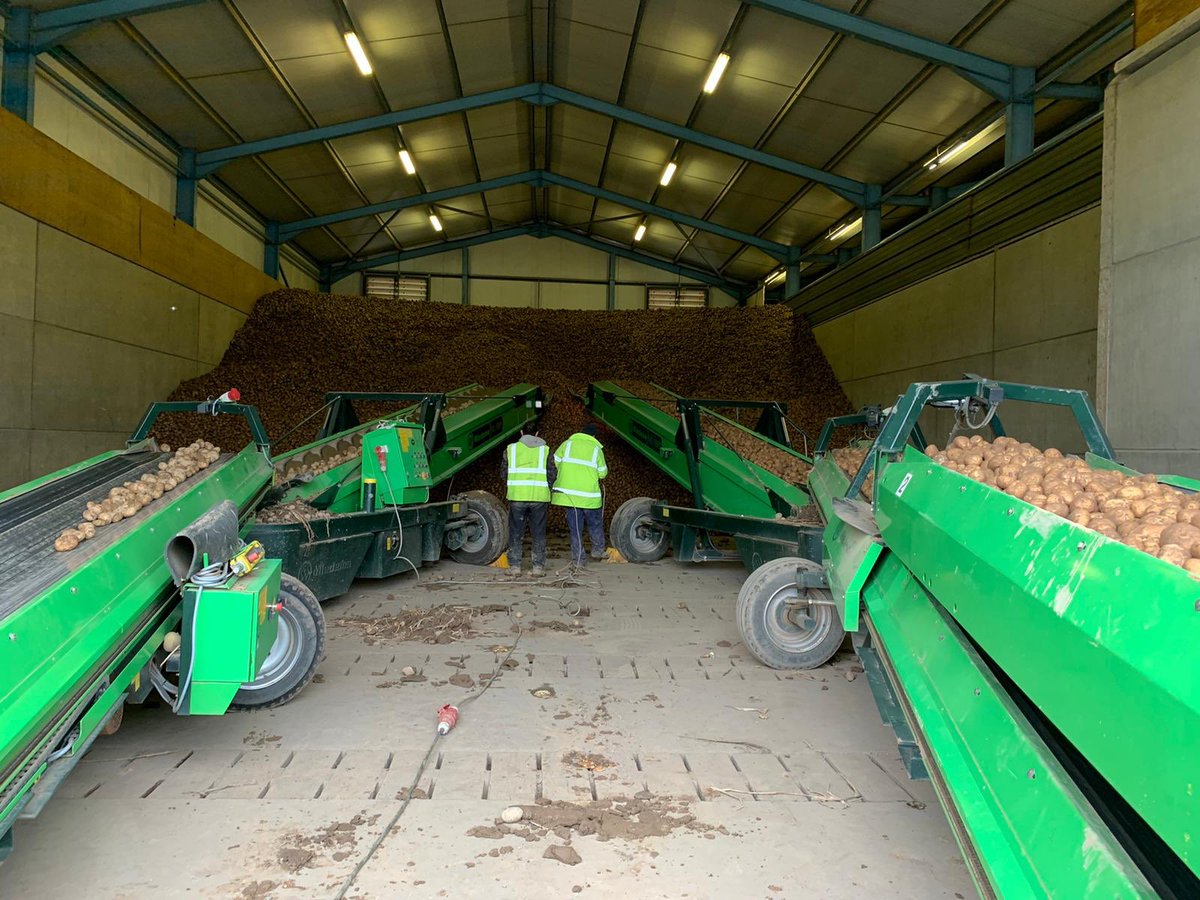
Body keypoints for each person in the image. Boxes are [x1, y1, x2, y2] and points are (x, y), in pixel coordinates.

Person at [552, 422, 609, 567]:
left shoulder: (567, 444)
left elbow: (556, 461)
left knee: (575, 528)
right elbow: (603, 473)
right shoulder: (596, 449)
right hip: (589, 497)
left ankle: (578, 560)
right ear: (594, 436)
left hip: (570, 497)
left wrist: (568, 472)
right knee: (595, 523)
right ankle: (597, 550)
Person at [503, 427, 554, 578]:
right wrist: (547, 487)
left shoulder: (511, 449)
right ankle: (538, 567)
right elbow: (552, 473)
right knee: (538, 533)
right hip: (539, 498)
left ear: (520, 433)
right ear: (537, 434)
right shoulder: (545, 450)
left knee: (516, 532)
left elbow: (503, 472)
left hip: (517, 497)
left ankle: (515, 567)